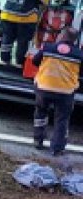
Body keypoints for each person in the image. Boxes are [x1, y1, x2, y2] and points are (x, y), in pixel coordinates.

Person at [30, 27, 82, 156]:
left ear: (61, 36)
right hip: (65, 92)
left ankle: (38, 141)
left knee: (41, 113)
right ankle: (57, 148)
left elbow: (35, 61)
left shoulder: (47, 48)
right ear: (74, 40)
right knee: (62, 119)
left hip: (44, 88)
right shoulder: (79, 54)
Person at [1, 0, 49, 67]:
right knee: (22, 41)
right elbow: (45, 1)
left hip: (7, 15)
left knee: (7, 38)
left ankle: (5, 61)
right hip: (26, 18)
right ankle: (19, 63)